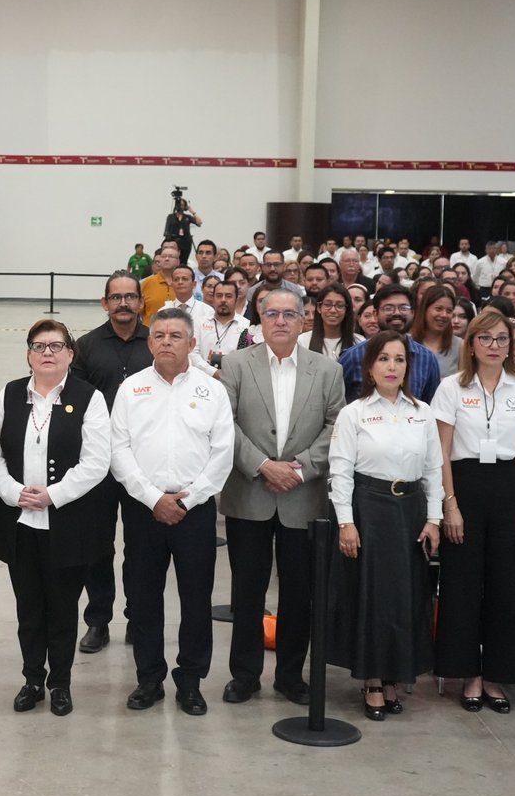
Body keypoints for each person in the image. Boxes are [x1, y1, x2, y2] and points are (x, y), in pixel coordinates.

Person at [218, 288, 344, 706]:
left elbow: (336, 427)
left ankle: (290, 676)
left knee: (298, 592)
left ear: (304, 319)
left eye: (290, 314)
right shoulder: (236, 364)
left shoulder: (327, 370)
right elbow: (225, 424)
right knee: (247, 591)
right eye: (272, 313)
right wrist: (262, 465)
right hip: (249, 493)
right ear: (260, 317)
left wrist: (300, 468)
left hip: (302, 496)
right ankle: (245, 675)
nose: (281, 321)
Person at [109, 307, 234, 715]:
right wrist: (152, 498)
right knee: (144, 597)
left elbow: (222, 453)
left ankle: (191, 681)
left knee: (196, 598)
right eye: (159, 335)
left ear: (192, 343)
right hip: (144, 509)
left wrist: (188, 499)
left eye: (175, 336)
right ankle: (149, 679)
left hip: (194, 511)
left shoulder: (212, 391)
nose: (166, 342)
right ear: (149, 343)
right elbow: (118, 449)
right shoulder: (131, 389)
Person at [0, 320, 113, 716]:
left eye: (56, 346)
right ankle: (31, 680)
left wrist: (53, 495)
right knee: (28, 608)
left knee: (62, 608)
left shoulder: (89, 398)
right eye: (39, 346)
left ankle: (60, 683)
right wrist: (13, 492)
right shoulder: (9, 394)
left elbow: (97, 461)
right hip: (19, 521)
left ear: (70, 355)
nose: (47, 353)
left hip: (69, 522)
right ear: (28, 354)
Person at [431, 308, 515, 713]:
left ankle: (498, 675)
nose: (494, 346)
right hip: (463, 486)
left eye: (502, 339)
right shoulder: (451, 387)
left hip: (510, 487)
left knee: (508, 586)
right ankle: (468, 674)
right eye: (486, 338)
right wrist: (450, 504)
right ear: (472, 344)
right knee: (462, 585)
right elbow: (441, 451)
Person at [327, 331, 443, 721]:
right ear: (369, 367)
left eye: (399, 359)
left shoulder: (422, 412)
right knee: (373, 597)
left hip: (411, 510)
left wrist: (434, 519)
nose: (392, 367)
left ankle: (396, 675)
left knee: (407, 596)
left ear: (408, 367)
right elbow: (340, 470)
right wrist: (346, 522)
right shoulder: (354, 413)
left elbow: (433, 469)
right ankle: (373, 679)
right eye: (384, 359)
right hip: (370, 508)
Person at [71, 271, 152, 653]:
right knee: (97, 545)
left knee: (141, 546)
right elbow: (74, 402)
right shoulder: (86, 347)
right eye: (116, 297)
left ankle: (138, 619)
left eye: (129, 297)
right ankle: (98, 621)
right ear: (105, 303)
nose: (123, 303)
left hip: (143, 462)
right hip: (98, 463)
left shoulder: (155, 343)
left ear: (140, 302)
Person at [337, 286, 440, 402]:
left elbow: (431, 404)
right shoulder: (353, 356)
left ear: (413, 313)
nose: (397, 313)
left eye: (404, 308)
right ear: (375, 314)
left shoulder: (427, 359)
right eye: (388, 308)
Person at [411, 284, 459, 378]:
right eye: (438, 309)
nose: (444, 315)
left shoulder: (460, 346)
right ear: (425, 309)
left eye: (449, 311)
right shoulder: (407, 342)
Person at [298, 283, 355, 360]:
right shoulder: (302, 341)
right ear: (319, 308)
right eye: (328, 304)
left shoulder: (359, 342)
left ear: (347, 310)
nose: (333, 310)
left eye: (339, 305)